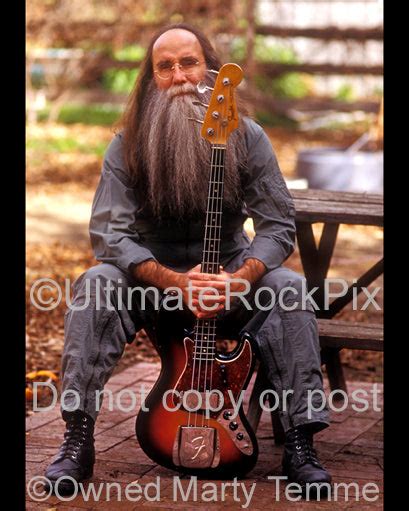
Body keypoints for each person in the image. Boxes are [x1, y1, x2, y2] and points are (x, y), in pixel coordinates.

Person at [44, 23, 331, 496]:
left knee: (289, 288)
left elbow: (278, 226)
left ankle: (300, 443)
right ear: (150, 79)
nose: (178, 76)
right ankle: (76, 438)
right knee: (97, 283)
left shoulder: (249, 137)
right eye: (165, 66)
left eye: (189, 62)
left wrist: (240, 279)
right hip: (155, 289)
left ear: (213, 72)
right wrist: (175, 282)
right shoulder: (128, 145)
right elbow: (109, 232)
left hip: (230, 284)